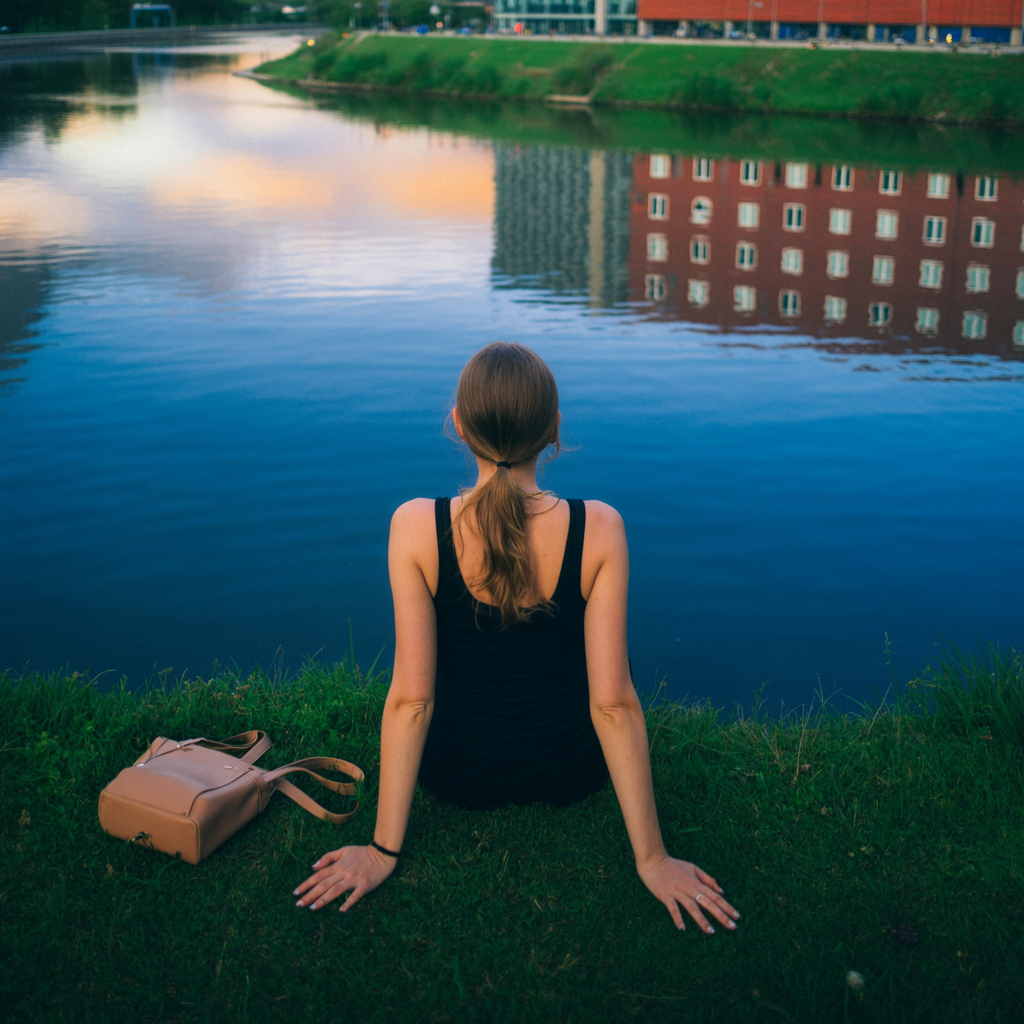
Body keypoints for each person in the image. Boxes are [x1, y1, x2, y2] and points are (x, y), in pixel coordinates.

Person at [294, 343, 740, 934]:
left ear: (458, 425)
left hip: (454, 775)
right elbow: (612, 702)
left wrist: (381, 852)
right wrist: (652, 860)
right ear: (554, 431)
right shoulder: (599, 528)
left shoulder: (415, 527)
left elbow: (411, 700)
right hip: (571, 773)